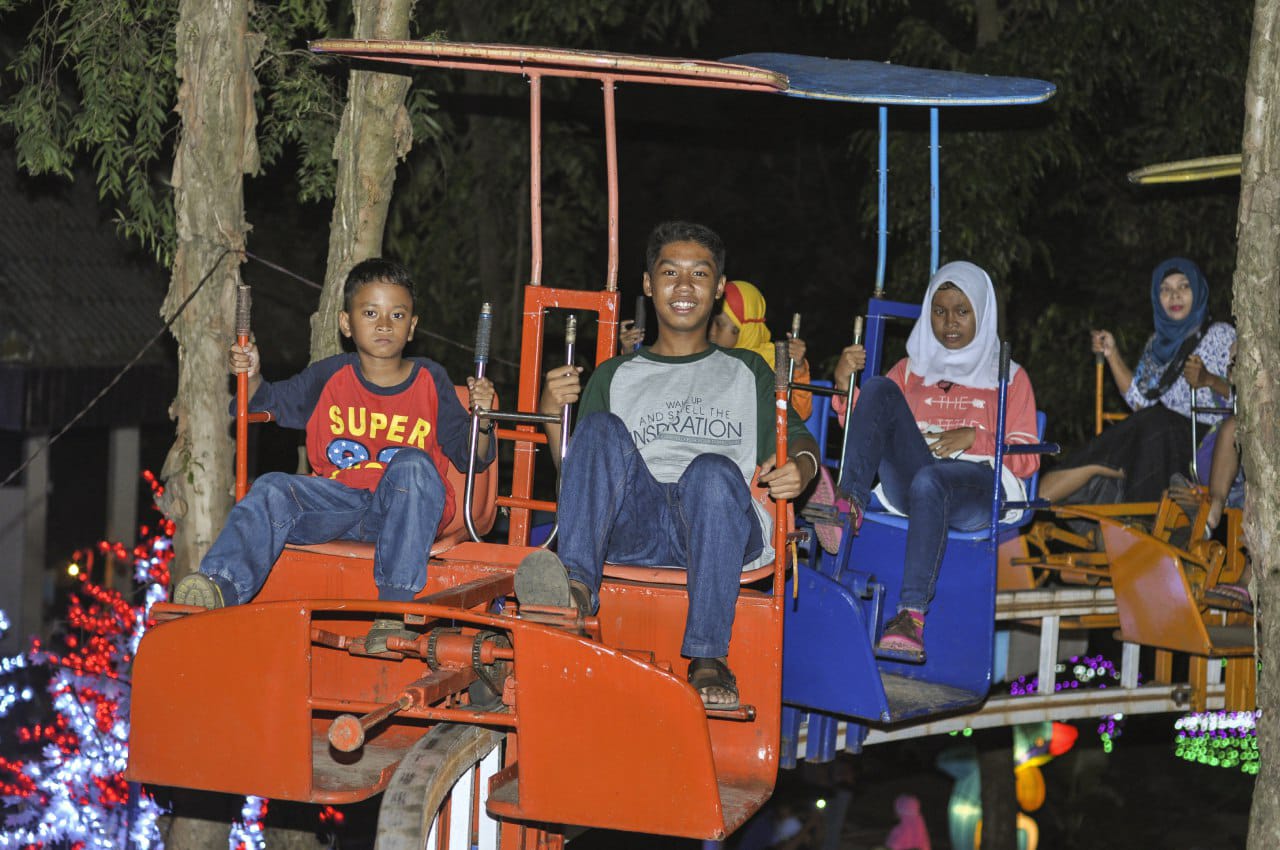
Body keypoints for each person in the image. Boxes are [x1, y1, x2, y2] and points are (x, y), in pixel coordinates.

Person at [517, 221, 820, 709]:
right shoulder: (616, 375)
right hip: (632, 522)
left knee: (712, 471)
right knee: (596, 430)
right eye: (670, 272)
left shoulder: (748, 371)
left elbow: (802, 445)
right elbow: (582, 476)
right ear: (647, 284)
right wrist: (555, 416)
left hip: (717, 522)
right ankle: (573, 593)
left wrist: (801, 469)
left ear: (719, 288)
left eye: (699, 274)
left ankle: (707, 656)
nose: (684, 287)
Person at [171, 258, 495, 653]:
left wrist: (484, 418)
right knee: (272, 487)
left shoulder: (431, 379)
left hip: (408, 509)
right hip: (338, 505)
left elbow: (471, 457)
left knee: (412, 465)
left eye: (397, 315)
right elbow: (269, 401)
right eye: (370, 313)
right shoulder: (331, 376)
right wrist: (252, 373)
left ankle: (393, 610)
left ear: (412, 327)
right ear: (346, 323)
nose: (383, 324)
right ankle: (219, 587)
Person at [831, 261, 1039, 663]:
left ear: (982, 312)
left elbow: (1027, 456)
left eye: (962, 311)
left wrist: (975, 437)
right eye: (939, 311)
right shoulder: (911, 368)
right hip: (914, 478)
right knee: (878, 387)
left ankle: (910, 617)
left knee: (932, 480)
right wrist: (844, 384)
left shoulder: (1009, 376)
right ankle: (847, 506)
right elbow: (869, 425)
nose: (949, 322)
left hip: (978, 485)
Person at [1039, 258, 1235, 504]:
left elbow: (1244, 399)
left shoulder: (1220, 334)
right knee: (1146, 425)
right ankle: (1036, 502)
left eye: (1183, 286)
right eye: (1165, 289)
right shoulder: (1156, 345)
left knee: (1154, 423)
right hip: (1157, 437)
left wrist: (1208, 379)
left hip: (1207, 441)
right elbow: (1140, 401)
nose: (1174, 295)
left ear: (1198, 291)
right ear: (1157, 297)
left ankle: (1132, 515)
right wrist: (1111, 354)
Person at [706, 280, 814, 420]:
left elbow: (799, 414)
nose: (712, 332)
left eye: (719, 325)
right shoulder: (706, 357)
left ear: (745, 328)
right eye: (709, 322)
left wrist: (798, 369)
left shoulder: (774, 362)